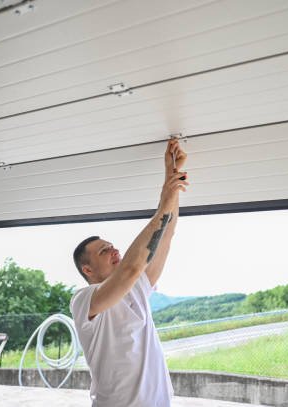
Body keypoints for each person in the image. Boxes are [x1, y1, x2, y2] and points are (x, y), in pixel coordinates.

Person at [70, 138, 188, 407]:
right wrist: (164, 199)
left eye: (112, 247)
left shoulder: (137, 286)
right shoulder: (83, 300)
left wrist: (173, 178)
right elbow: (131, 268)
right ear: (87, 269)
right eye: (104, 251)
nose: (114, 251)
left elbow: (165, 237)